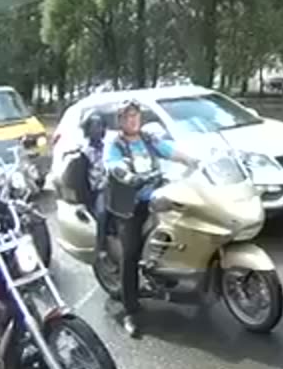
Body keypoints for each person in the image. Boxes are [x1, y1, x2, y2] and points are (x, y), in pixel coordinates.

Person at [104, 100, 196, 337]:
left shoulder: (148, 139)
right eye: (127, 117)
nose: (132, 120)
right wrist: (128, 175)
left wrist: (192, 160)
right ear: (120, 121)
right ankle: (130, 311)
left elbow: (169, 150)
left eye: (135, 116)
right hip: (130, 205)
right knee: (130, 255)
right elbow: (113, 165)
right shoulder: (116, 144)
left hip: (156, 196)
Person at [79, 112, 110, 250]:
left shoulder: (109, 147)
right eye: (94, 126)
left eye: (100, 126)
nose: (98, 130)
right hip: (99, 189)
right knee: (102, 213)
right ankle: (101, 246)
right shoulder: (85, 152)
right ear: (88, 130)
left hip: (114, 184)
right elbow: (83, 179)